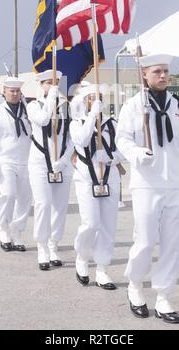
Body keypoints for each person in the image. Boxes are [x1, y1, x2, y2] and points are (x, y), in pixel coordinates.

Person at [116, 53, 179, 324]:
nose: (163, 76)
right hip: (146, 183)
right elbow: (121, 139)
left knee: (171, 244)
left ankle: (164, 296)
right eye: (157, 72)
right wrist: (136, 153)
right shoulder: (133, 105)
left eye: (165, 71)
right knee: (144, 240)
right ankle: (135, 285)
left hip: (174, 184)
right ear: (144, 74)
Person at [70, 83, 123, 290]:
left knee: (108, 226)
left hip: (109, 178)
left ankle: (102, 269)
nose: (95, 101)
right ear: (84, 102)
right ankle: (82, 257)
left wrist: (111, 157)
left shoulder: (112, 124)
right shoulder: (77, 123)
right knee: (91, 223)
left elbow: (123, 149)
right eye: (91, 98)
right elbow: (82, 141)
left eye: (98, 97)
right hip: (86, 177)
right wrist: (92, 116)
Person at [27, 70, 74, 271]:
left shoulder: (66, 107)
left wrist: (64, 159)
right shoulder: (33, 105)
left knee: (60, 206)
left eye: (55, 82)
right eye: (48, 83)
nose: (52, 86)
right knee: (43, 204)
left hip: (61, 163)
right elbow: (44, 120)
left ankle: (54, 244)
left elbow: (71, 137)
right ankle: (42, 246)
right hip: (39, 162)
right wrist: (51, 100)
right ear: (41, 85)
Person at [0, 77, 32, 252]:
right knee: (8, 195)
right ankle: (4, 229)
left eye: (18, 91)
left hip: (26, 160)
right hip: (6, 160)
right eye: (12, 90)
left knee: (24, 199)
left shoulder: (28, 111)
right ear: (4, 91)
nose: (15, 93)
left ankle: (17, 232)